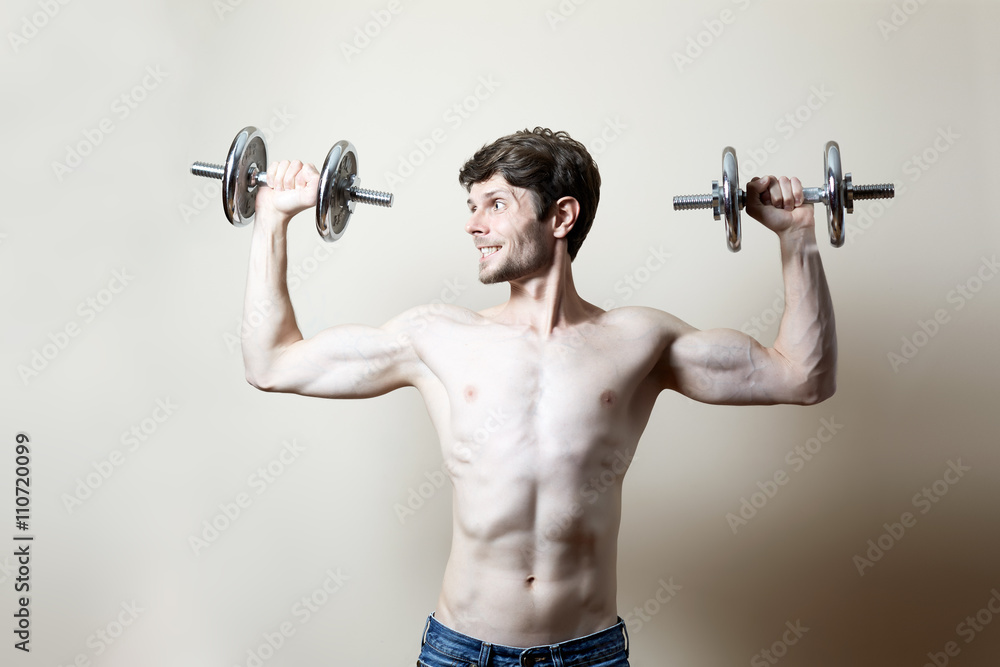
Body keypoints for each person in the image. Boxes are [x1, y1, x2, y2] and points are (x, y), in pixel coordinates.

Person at [239, 127, 837, 667]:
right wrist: (272, 218)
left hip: (587, 654)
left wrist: (797, 238)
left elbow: (802, 377)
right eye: (472, 208)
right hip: (461, 652)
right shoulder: (435, 337)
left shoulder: (637, 341)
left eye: (496, 204)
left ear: (560, 217)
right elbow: (272, 363)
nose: (474, 225)